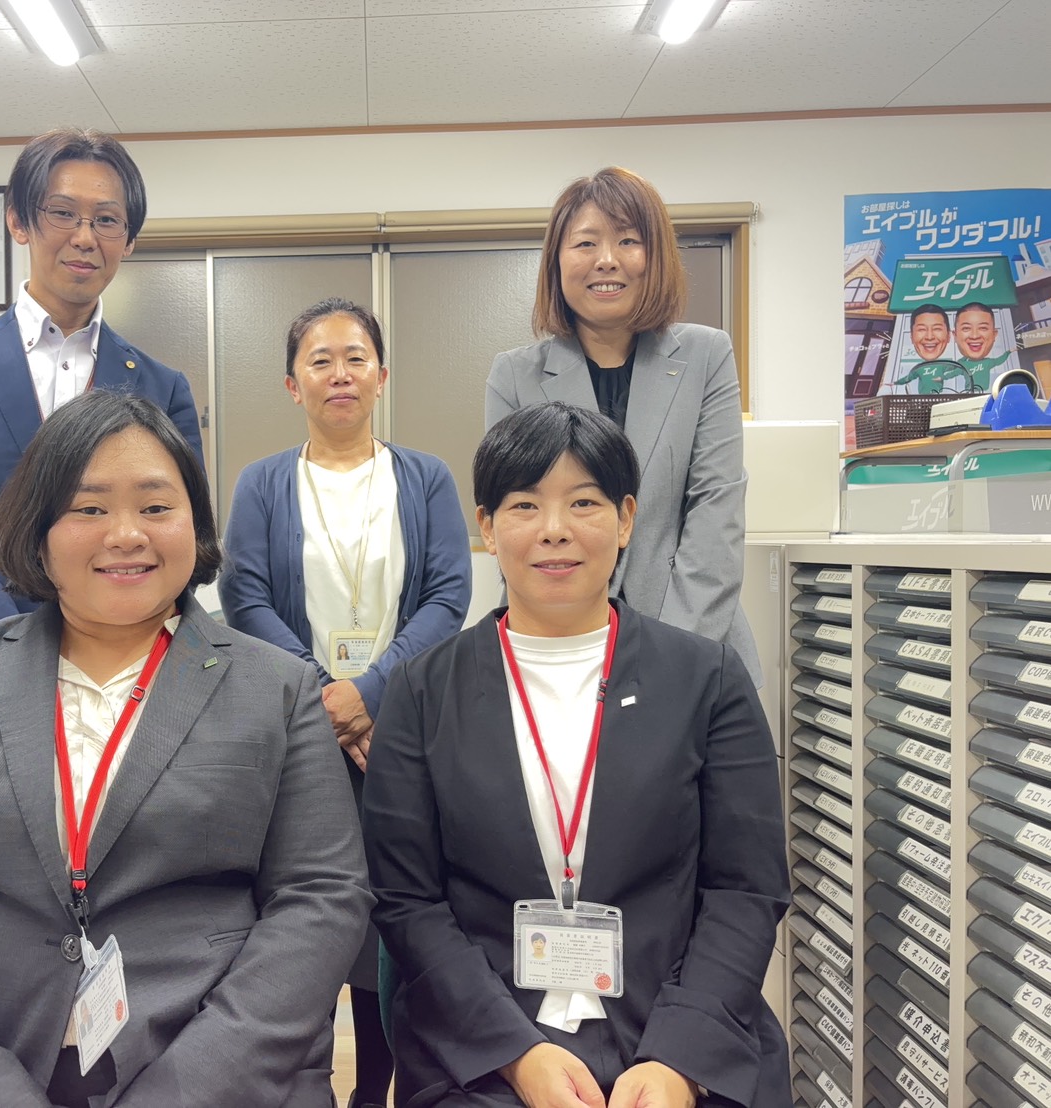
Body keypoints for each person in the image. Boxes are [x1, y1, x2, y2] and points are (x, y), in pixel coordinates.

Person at [0, 391, 370, 1108]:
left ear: (194, 526)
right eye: (89, 508)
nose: (126, 534)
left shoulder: (278, 688)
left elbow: (321, 901)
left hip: (213, 1073)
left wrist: (183, 1093)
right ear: (38, 531)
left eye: (155, 506)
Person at [363, 402, 790, 1108]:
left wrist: (675, 1061)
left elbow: (745, 892)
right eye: (525, 504)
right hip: (483, 1047)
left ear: (625, 519)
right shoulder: (422, 689)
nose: (554, 529)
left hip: (678, 1033)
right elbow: (408, 901)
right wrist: (516, 1057)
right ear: (487, 526)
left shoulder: (706, 679)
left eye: (583, 502)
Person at [220, 297, 472, 1108]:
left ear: (382, 376)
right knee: (302, 905)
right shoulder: (262, 482)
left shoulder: (424, 476)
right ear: (292, 384)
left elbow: (446, 595)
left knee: (393, 910)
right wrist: (320, 699)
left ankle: (380, 1084)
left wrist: (369, 693)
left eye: (355, 356)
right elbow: (245, 596)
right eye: (319, 359)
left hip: (397, 733)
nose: (339, 373)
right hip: (300, 734)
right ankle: (299, 1079)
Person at [0, 127, 203, 637]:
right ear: (18, 221)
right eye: (62, 213)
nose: (84, 237)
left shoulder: (163, 387)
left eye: (106, 220)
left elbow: (182, 528)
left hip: (126, 654)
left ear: (128, 241)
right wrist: (7, 645)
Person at [485, 166, 760, 684]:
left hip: (695, 644)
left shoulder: (707, 355)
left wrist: (672, 653)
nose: (606, 260)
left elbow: (716, 508)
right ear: (557, 263)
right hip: (555, 647)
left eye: (628, 240)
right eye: (585, 243)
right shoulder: (515, 375)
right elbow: (516, 517)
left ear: (655, 256)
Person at [953, 301, 1013, 391]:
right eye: (966, 328)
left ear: (994, 334)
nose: (974, 336)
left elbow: (999, 360)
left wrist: (1009, 352)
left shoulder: (994, 368)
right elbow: (951, 374)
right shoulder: (960, 365)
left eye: (983, 328)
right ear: (955, 335)